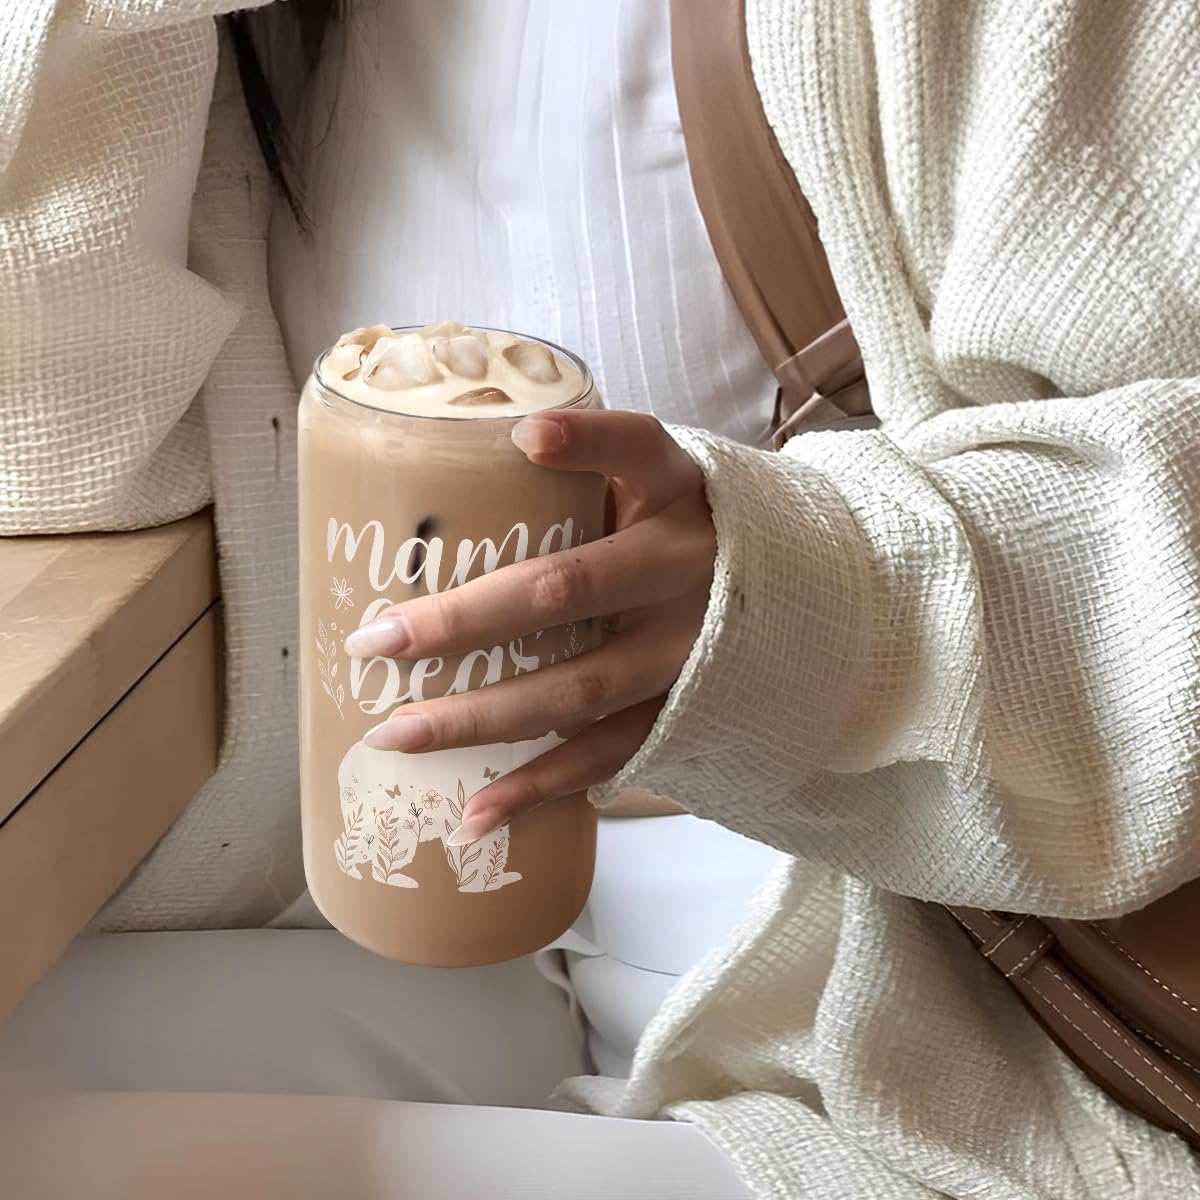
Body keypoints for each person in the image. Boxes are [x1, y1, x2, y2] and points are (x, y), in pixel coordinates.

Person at [2, 1, 1199, 1198]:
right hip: (466, 914)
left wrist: (817, 597)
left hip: (916, 1006)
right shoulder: (273, 38)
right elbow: (55, 468)